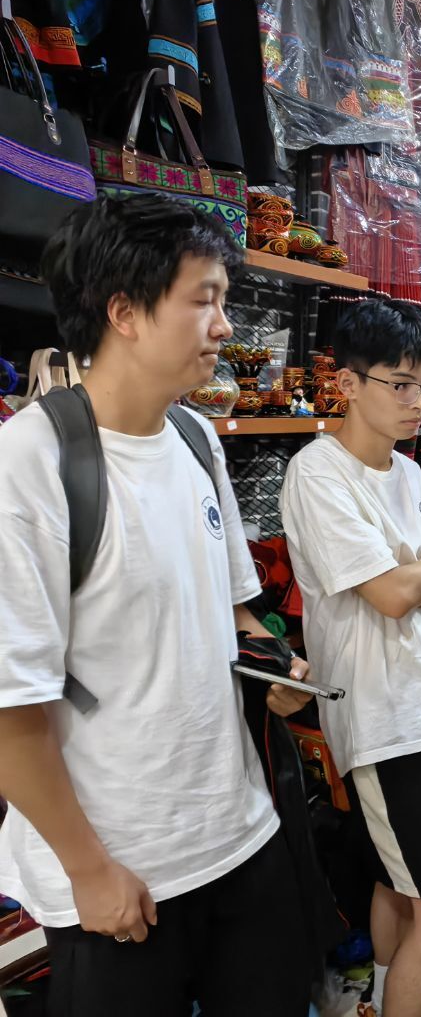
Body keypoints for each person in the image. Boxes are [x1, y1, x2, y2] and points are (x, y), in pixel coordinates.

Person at [0, 195, 313, 1015]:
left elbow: (234, 613)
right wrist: (88, 870)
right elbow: (10, 707)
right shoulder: (30, 463)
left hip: (240, 834)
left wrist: (273, 665)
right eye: (205, 300)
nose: (225, 326)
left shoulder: (195, 440)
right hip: (121, 871)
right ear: (124, 312)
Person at [280, 299, 421, 1017]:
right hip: (383, 721)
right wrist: (417, 571)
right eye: (400, 384)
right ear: (347, 383)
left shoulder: (405, 470)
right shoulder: (318, 473)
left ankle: (382, 1000)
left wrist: (414, 572)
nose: (419, 402)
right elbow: (396, 595)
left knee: (402, 885)